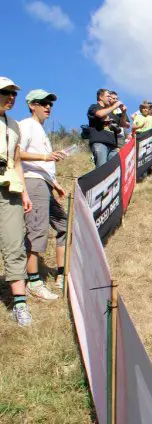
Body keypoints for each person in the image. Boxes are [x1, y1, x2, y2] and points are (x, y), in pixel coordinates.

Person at [18, 88, 69, 299]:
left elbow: (41, 162)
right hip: (32, 183)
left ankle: (61, 274)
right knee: (37, 231)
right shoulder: (26, 125)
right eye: (42, 102)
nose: (48, 106)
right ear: (32, 105)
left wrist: (54, 183)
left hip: (45, 184)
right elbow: (16, 153)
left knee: (64, 226)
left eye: (50, 103)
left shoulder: (40, 129)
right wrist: (46, 157)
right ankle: (33, 281)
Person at [0, 77, 34, 327]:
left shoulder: (14, 126)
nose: (11, 98)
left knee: (15, 243)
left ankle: (20, 305)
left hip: (9, 186)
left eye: (13, 94)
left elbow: (18, 160)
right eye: (5, 93)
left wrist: (24, 192)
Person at [87, 89, 129, 168]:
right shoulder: (94, 107)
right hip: (100, 143)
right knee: (101, 168)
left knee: (113, 169)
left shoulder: (112, 112)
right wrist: (114, 106)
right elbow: (99, 114)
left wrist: (123, 113)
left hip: (113, 145)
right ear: (100, 97)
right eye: (108, 96)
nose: (110, 98)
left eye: (110, 96)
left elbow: (123, 124)